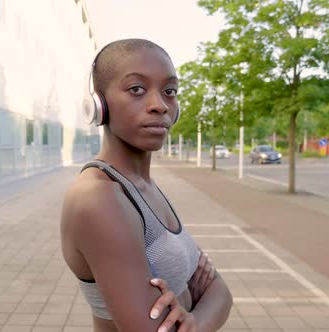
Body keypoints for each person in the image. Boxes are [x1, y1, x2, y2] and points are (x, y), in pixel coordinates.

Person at [60, 38, 232, 331]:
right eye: (136, 90)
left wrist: (194, 320)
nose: (159, 105)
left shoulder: (143, 186)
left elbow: (222, 292)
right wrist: (202, 315)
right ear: (99, 105)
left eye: (170, 91)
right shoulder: (99, 198)